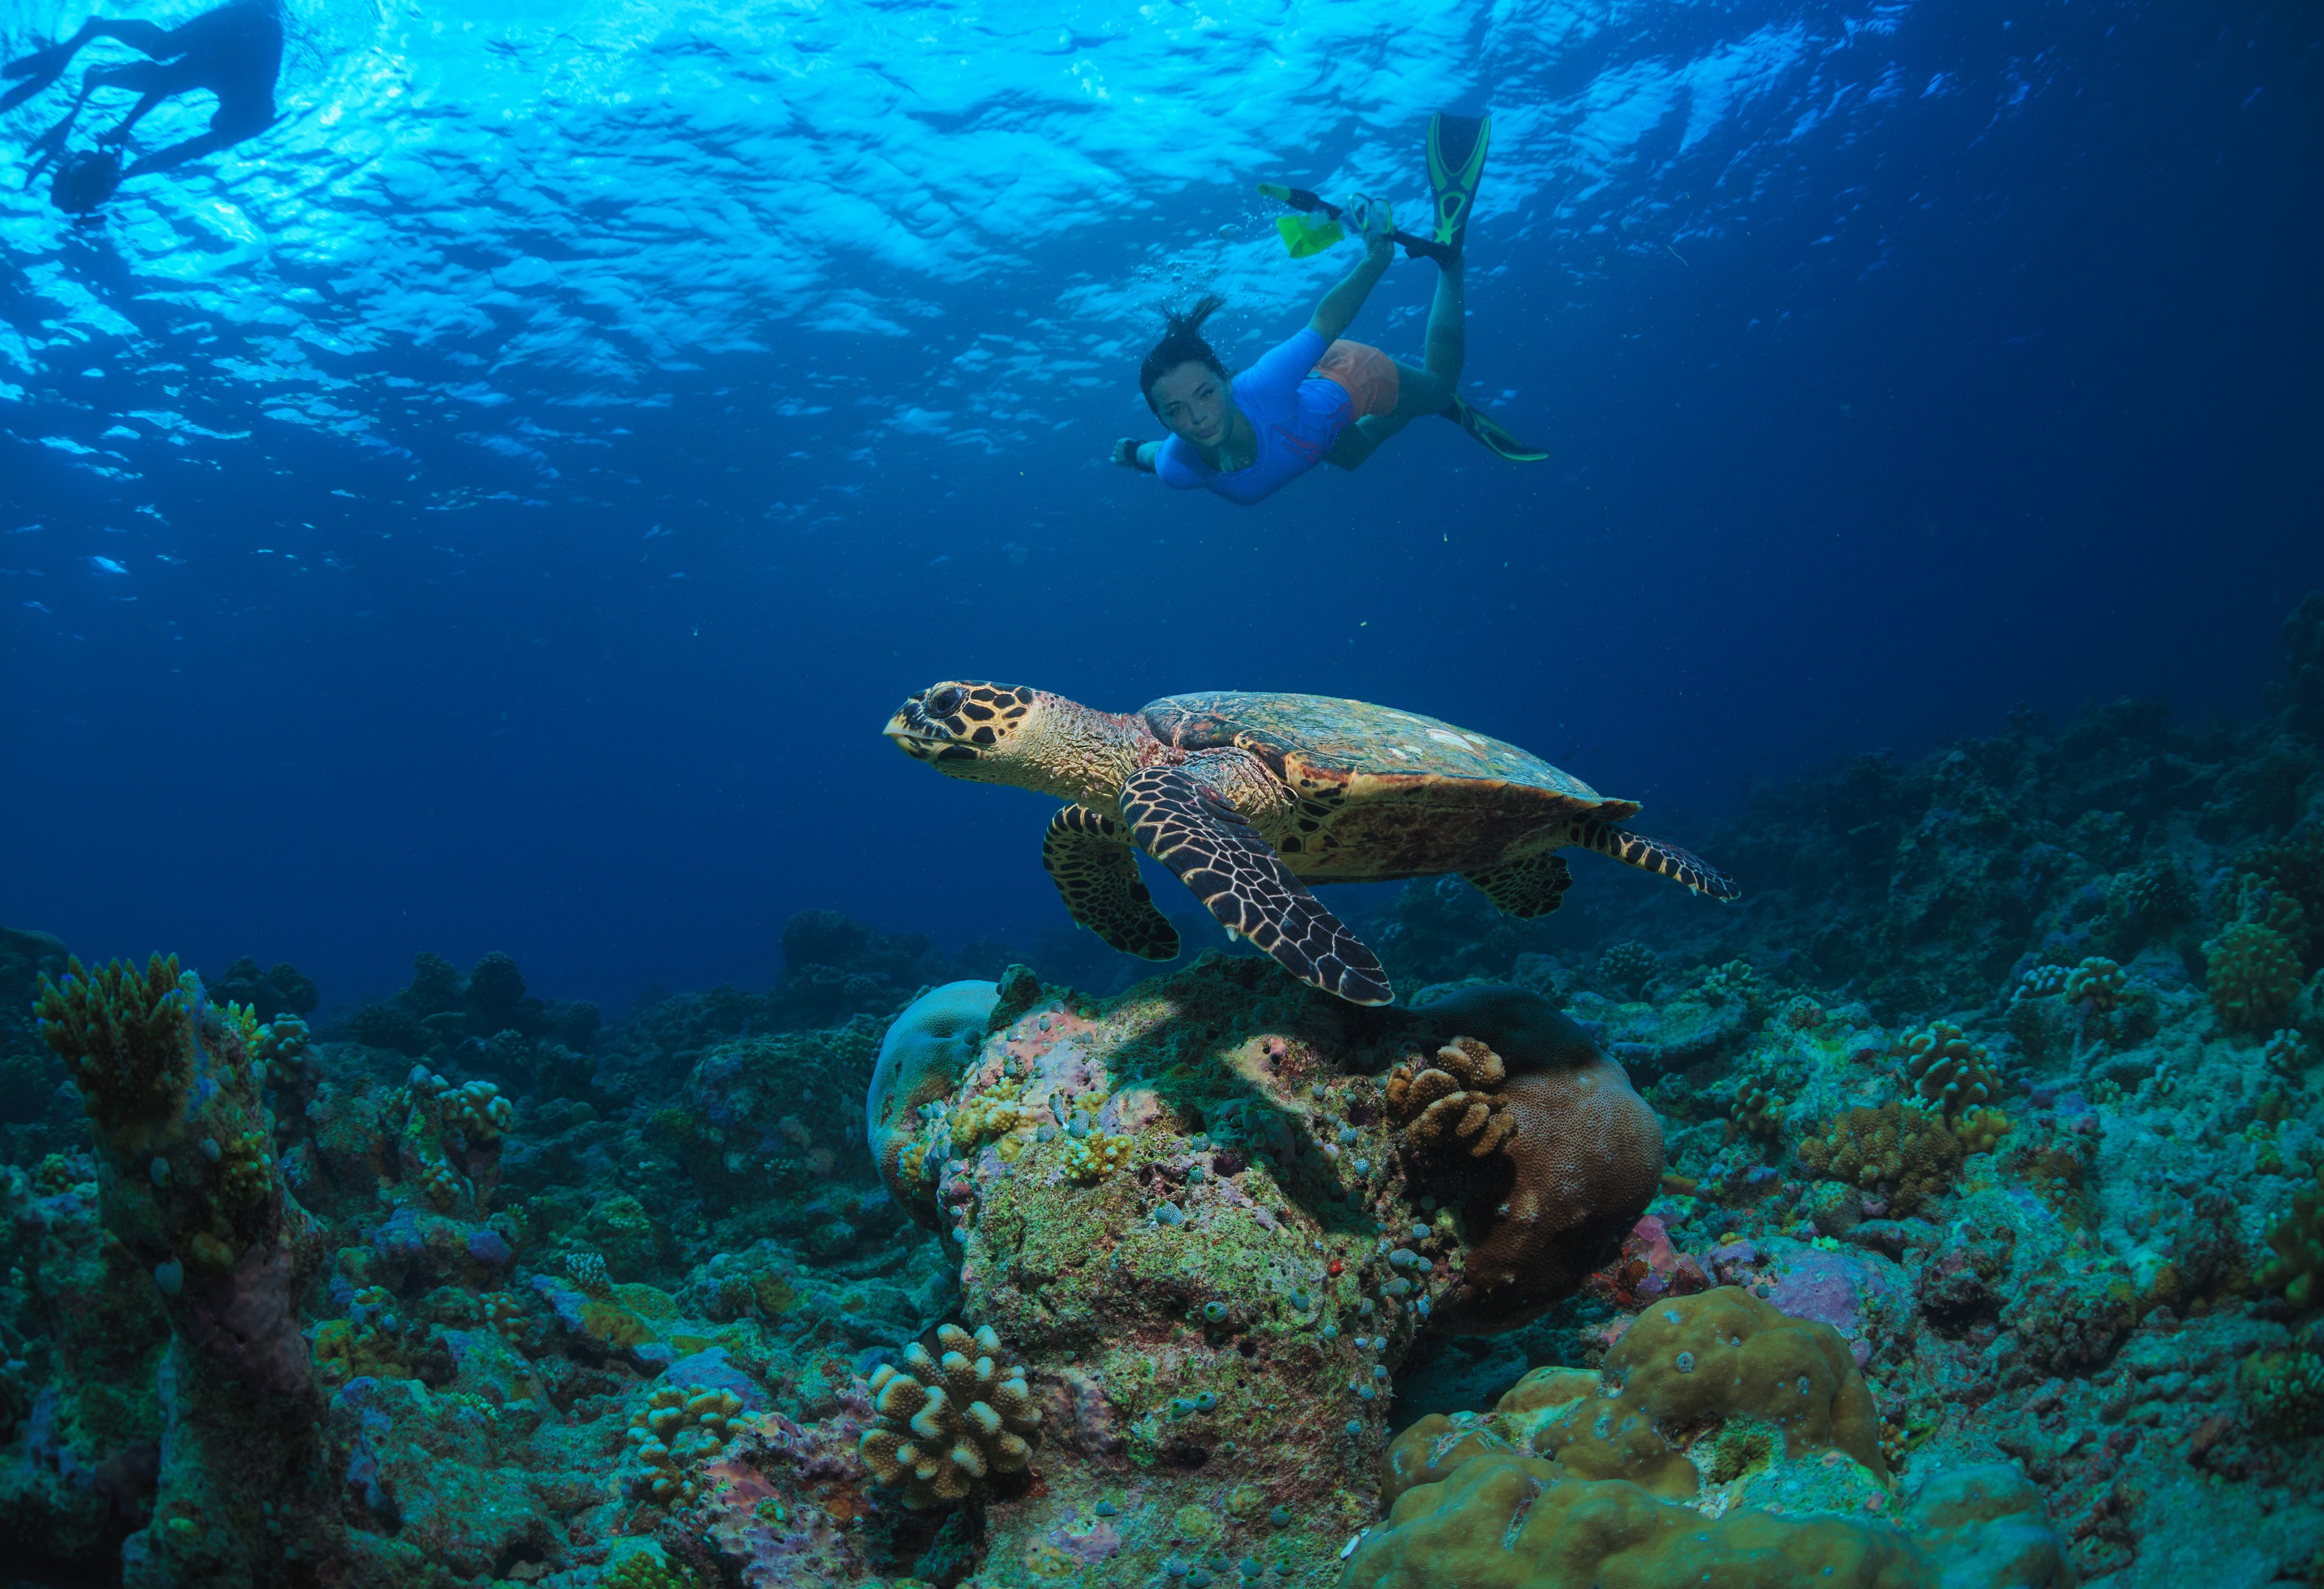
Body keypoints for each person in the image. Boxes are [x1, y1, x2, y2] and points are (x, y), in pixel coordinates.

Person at [1112, 113, 1545, 507]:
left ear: (1226, 381)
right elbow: (1152, 455)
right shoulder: (1178, 467)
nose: (1198, 416)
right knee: (1351, 457)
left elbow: (1326, 321)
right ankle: (1412, 403)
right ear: (1162, 420)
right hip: (1314, 421)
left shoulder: (1264, 386)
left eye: (1205, 393)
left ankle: (1450, 270)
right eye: (1175, 411)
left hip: (1356, 375)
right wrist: (1132, 453)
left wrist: (1376, 259)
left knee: (1441, 387)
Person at [4, 0, 283, 211]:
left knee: (167, 61)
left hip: (242, 32)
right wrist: (126, 165)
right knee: (165, 55)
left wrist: (125, 152)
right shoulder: (247, 103)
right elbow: (186, 150)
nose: (214, 130)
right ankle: (97, 39)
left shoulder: (235, 95)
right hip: (250, 26)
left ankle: (97, 49)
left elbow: (185, 146)